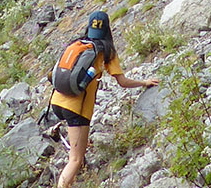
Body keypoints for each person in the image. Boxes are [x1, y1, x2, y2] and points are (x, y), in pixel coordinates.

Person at [50, 11, 159, 188]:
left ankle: (74, 181)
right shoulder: (106, 50)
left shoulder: (76, 45)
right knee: (75, 159)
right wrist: (144, 82)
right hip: (76, 108)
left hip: (57, 101)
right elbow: (122, 82)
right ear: (108, 28)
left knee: (79, 153)